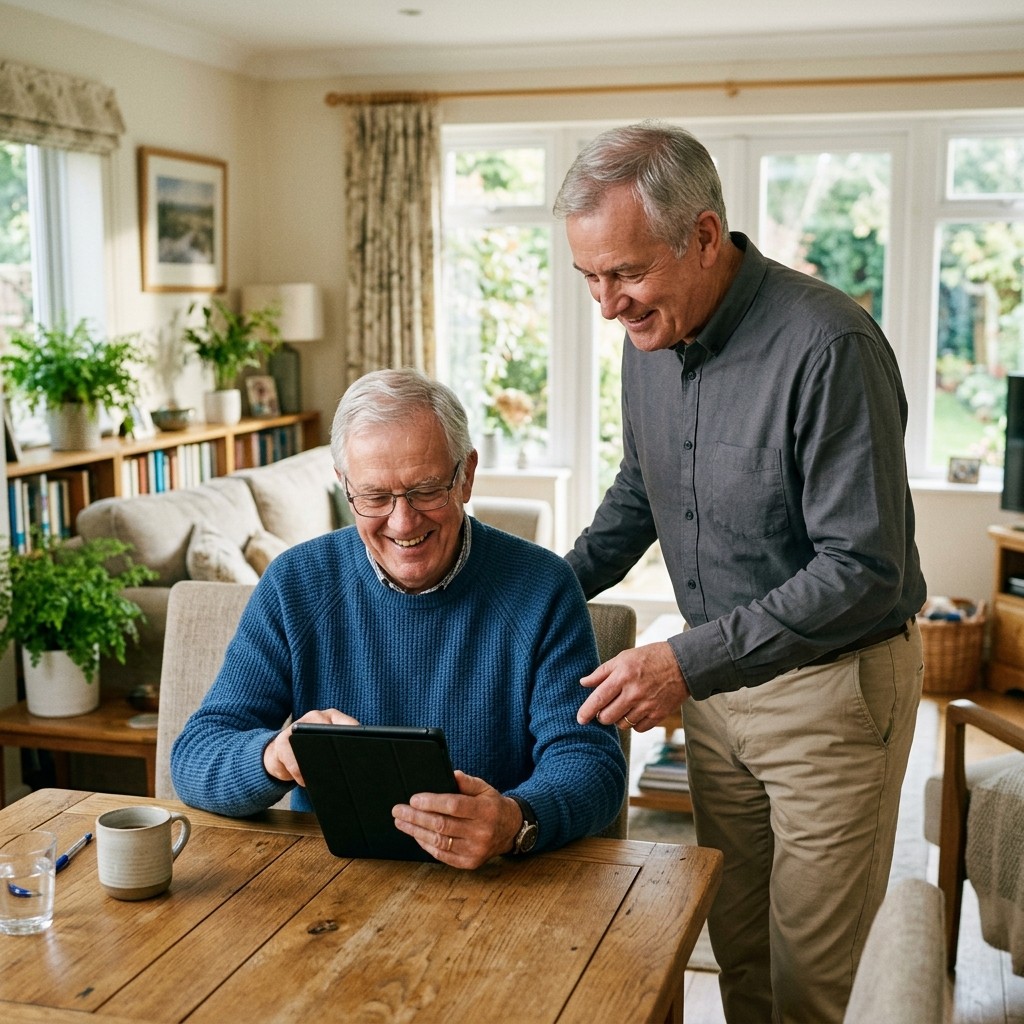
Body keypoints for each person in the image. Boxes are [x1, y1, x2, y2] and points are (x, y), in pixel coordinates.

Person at [553, 121, 926, 1023]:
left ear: (706, 236)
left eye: (627, 274)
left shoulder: (829, 345)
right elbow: (638, 495)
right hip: (719, 695)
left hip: (831, 695)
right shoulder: (647, 339)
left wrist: (683, 662)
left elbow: (862, 568)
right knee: (739, 953)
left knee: (813, 985)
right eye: (590, 279)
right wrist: (532, 592)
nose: (608, 306)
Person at [171, 367, 626, 869]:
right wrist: (272, 757)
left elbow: (591, 765)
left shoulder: (543, 587)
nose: (403, 521)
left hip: (497, 884)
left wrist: (516, 821)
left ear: (467, 474)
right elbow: (195, 755)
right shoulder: (294, 584)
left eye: (426, 490)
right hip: (329, 881)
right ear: (344, 486)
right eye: (374, 497)